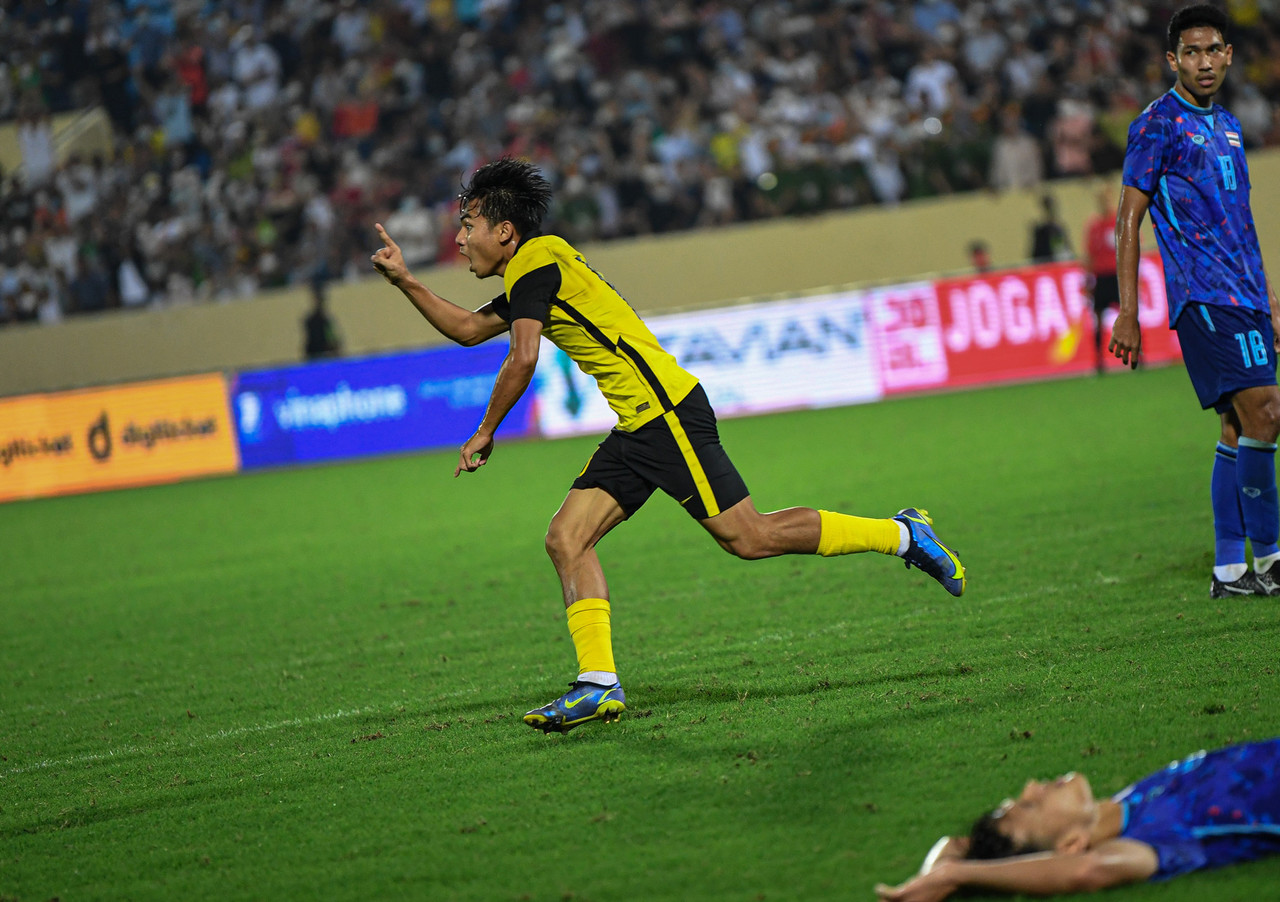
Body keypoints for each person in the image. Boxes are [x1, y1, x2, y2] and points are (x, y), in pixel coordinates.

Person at [370, 158, 967, 734]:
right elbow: (471, 330)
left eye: (468, 224)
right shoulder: (536, 269)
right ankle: (598, 682)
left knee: (749, 537)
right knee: (566, 538)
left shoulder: (535, 260)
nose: (460, 237)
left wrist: (485, 428)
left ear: (504, 230)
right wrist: (404, 281)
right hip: (640, 426)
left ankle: (904, 534)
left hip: (667, 416)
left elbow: (522, 356)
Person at [1109, 4, 1280, 600]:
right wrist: (1127, 311)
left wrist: (1270, 299)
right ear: (1172, 60)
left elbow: (1241, 223)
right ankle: (1273, 558)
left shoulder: (1230, 127)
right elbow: (1128, 221)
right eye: (1192, 52)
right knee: (1268, 411)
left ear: (1229, 55)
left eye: (1213, 51)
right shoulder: (1157, 125)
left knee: (1240, 427)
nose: (1203, 62)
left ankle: (1231, 571)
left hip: (1246, 296)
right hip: (1204, 295)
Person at [874, 737, 1280, 901]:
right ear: (1070, 844)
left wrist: (946, 870)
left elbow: (955, 845)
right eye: (1029, 807)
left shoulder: (1129, 804)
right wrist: (954, 877)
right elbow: (1088, 870)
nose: (1032, 786)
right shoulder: (1153, 839)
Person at [1081, 186, 1119, 374]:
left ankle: (1139, 354)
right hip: (1101, 277)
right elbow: (1089, 256)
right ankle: (1099, 360)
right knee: (1097, 318)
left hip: (1118, 275)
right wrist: (1087, 282)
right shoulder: (1094, 227)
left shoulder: (1118, 223)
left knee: (1128, 314)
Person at [1028, 193, 1071, 263]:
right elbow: (1035, 255)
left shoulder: (1056, 229)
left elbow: (1061, 252)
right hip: (1045, 265)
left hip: (1056, 264)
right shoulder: (1040, 230)